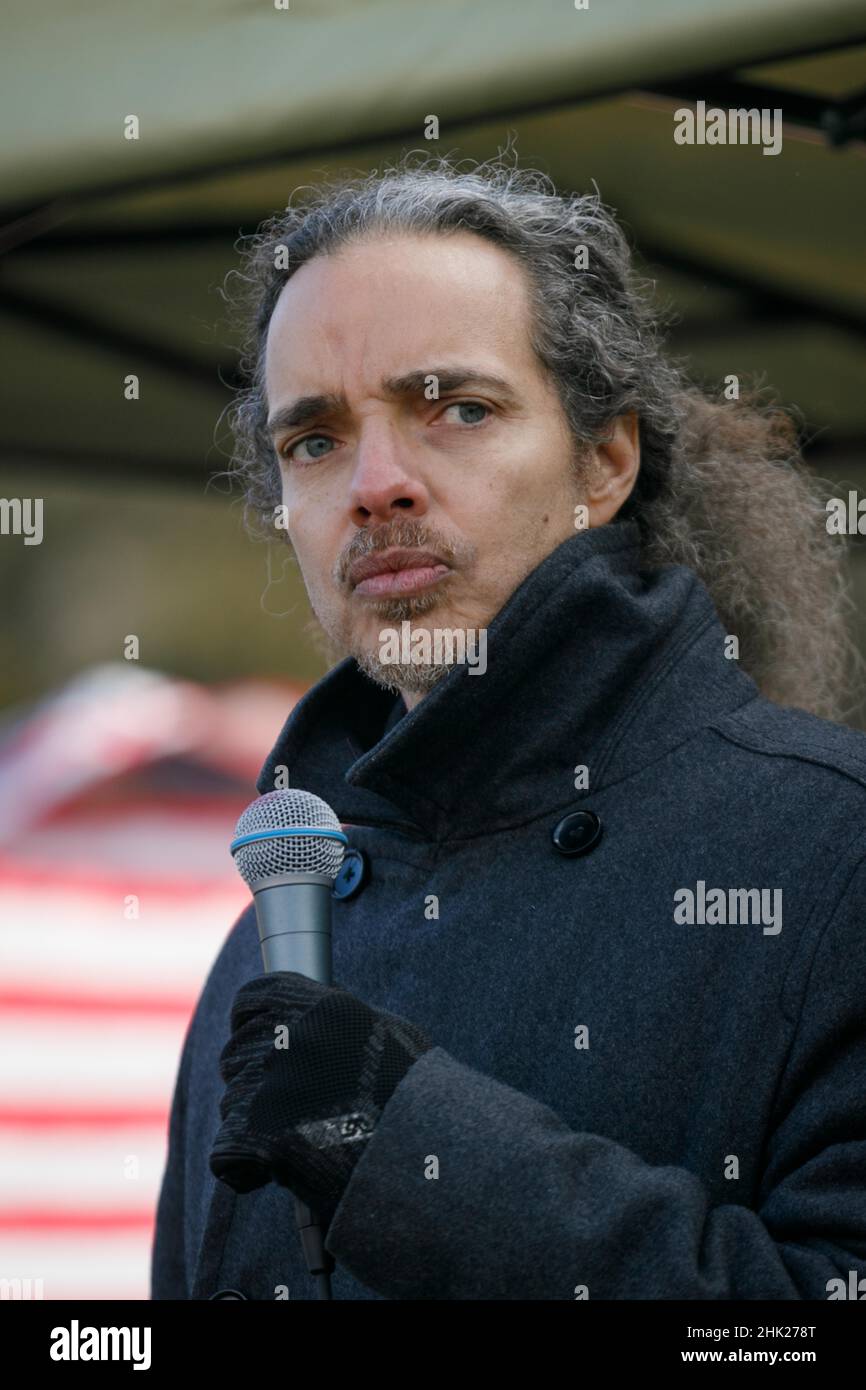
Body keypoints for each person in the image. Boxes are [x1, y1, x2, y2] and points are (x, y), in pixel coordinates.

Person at [151, 154, 866, 1300]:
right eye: (314, 440)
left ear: (605, 461)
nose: (375, 482)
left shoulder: (834, 853)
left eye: (458, 410)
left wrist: (409, 1151)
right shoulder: (272, 937)